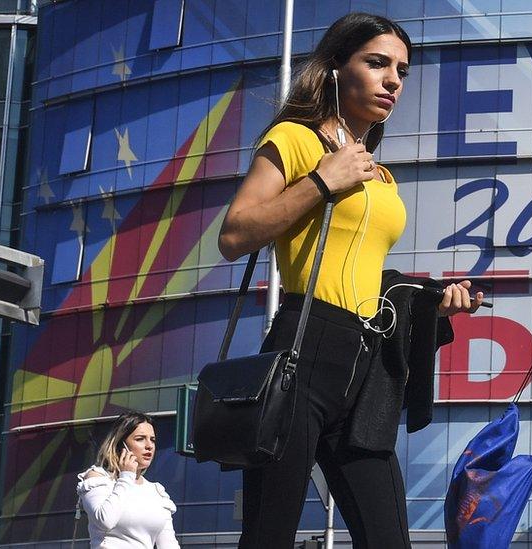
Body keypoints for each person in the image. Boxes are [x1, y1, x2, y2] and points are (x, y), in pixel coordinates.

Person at [218, 12, 483, 548]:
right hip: (304, 346)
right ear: (337, 66)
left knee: (388, 539)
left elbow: (362, 271)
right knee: (269, 535)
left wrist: (430, 304)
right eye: (377, 63)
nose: (393, 81)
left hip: (369, 364)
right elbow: (235, 234)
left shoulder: (380, 174)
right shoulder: (294, 139)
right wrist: (322, 179)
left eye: (402, 71)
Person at [75, 411, 178, 548]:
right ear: (120, 445)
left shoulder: (157, 491)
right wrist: (126, 476)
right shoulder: (98, 478)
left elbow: (169, 545)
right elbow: (104, 520)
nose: (149, 445)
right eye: (140, 439)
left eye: (152, 439)